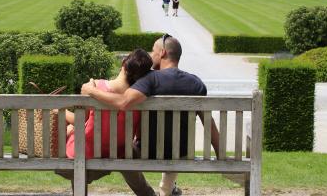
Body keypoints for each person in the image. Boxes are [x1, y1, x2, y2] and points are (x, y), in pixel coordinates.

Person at [81, 35, 221, 196]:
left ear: (162, 53)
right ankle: (168, 189)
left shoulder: (150, 79)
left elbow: (124, 102)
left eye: (152, 51)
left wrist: (91, 90)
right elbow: (209, 125)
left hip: (148, 151)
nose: (150, 55)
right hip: (183, 153)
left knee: (123, 149)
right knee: (173, 144)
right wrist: (220, 155)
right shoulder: (196, 83)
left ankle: (148, 194)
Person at [55, 49, 153, 192]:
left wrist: (59, 113)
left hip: (85, 154)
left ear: (123, 64)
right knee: (127, 150)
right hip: (118, 153)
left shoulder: (95, 87)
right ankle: (147, 193)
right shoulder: (140, 98)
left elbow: (80, 120)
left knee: (73, 134)